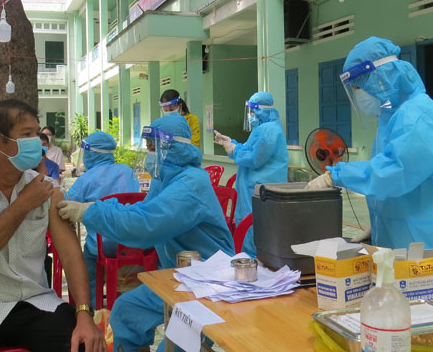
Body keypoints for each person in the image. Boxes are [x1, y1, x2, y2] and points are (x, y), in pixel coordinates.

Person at [0, 99, 105, 352]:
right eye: (26, 135)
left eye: (36, 134)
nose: (36, 142)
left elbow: (70, 254)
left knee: (83, 344)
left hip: (35, 303)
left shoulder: (46, 189)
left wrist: (83, 314)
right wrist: (23, 204)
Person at [307, 36, 433, 291]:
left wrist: (337, 175)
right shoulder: (391, 117)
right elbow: (400, 188)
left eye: (359, 87)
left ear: (380, 78)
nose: (360, 96)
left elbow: (394, 172)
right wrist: (378, 226)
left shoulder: (418, 116)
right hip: (407, 254)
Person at [58, 114, 234, 352]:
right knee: (126, 312)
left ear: (173, 148)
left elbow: (146, 224)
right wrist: (97, 209)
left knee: (175, 346)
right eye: (148, 148)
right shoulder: (166, 180)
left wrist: (91, 212)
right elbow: (142, 209)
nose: (150, 154)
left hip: (209, 284)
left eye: (154, 148)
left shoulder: (191, 184)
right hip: (177, 278)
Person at [65, 130, 140, 300]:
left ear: (91, 153)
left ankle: (90, 305)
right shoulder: (126, 171)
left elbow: (67, 203)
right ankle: (124, 299)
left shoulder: (86, 179)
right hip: (130, 242)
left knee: (86, 269)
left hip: (102, 246)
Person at [214, 91, 288, 256]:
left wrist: (234, 149)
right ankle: (250, 258)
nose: (251, 115)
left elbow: (255, 158)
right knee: (248, 226)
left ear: (263, 110)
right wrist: (231, 143)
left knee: (256, 229)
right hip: (251, 189)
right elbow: (249, 149)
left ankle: (257, 261)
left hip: (260, 191)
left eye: (254, 111)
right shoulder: (262, 129)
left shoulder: (270, 130)